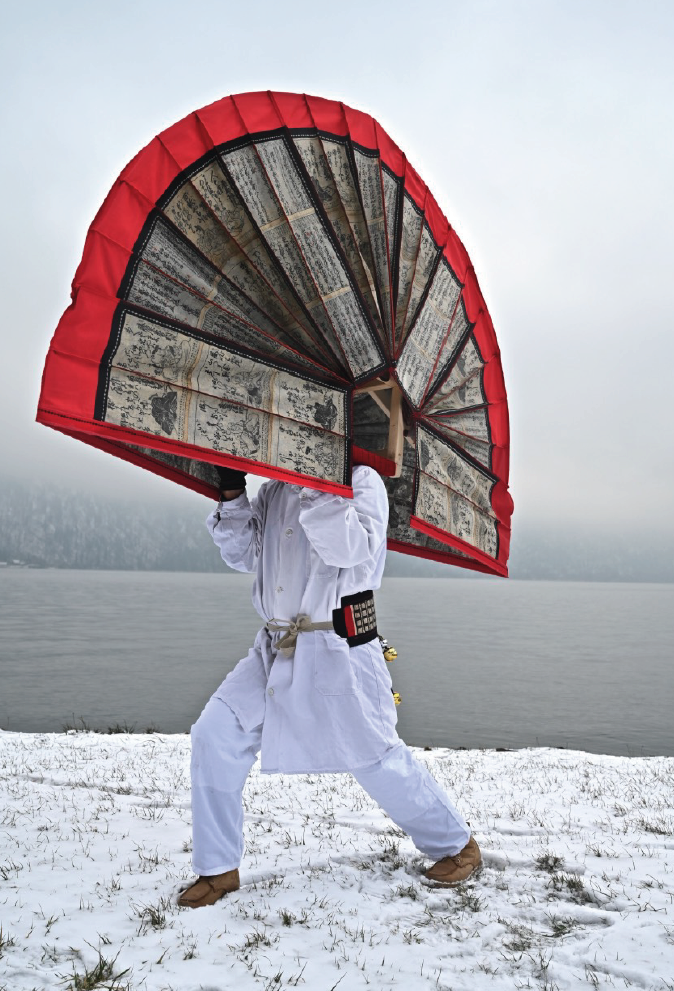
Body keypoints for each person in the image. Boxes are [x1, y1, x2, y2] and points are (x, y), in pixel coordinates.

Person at [178, 464, 481, 908]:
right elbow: (243, 557)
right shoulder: (276, 487)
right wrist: (232, 493)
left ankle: (457, 846)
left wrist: (315, 482)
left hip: (341, 649)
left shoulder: (363, 482)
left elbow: (348, 550)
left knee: (375, 757)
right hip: (276, 644)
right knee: (215, 734)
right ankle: (218, 869)